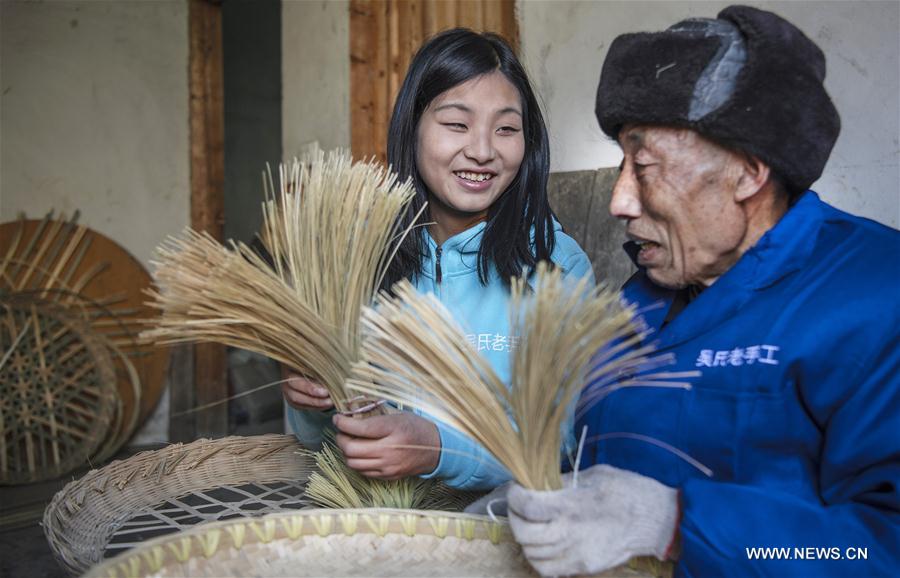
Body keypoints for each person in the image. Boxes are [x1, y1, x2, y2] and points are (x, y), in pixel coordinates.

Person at [499, 6, 900, 577]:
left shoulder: (878, 297)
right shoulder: (635, 305)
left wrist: (678, 524)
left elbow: (878, 552)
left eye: (645, 166)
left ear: (748, 172)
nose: (618, 201)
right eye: (622, 164)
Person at [282, 28, 594, 490]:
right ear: (413, 128)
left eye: (506, 128)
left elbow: (567, 442)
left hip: (503, 529)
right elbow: (316, 443)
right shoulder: (357, 267)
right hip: (378, 527)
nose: (483, 150)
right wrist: (309, 398)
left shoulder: (555, 269)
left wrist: (438, 449)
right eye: (457, 124)